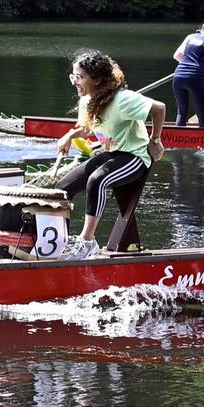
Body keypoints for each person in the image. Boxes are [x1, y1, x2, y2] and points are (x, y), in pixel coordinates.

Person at [51, 50, 165, 254]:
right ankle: (59, 245)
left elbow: (159, 108)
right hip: (111, 154)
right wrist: (69, 136)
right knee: (62, 188)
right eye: (74, 76)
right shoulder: (86, 100)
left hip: (135, 156)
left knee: (97, 181)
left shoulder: (122, 100)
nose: (75, 82)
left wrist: (155, 139)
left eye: (80, 77)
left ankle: (87, 241)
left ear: (96, 79)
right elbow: (87, 127)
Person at [170, 16, 204, 128]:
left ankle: (178, 141)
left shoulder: (190, 37)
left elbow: (177, 56)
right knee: (201, 112)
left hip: (179, 76)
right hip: (196, 78)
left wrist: (188, 64)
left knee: (181, 111)